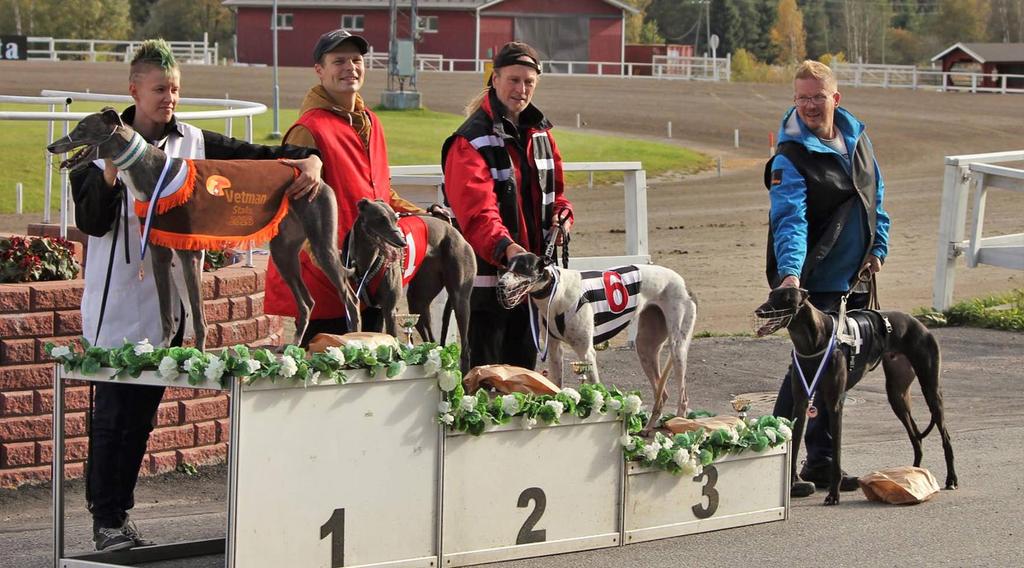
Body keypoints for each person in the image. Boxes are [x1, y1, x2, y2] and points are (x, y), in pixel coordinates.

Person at [71, 39, 323, 551]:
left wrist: (307, 160)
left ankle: (119, 516)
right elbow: (93, 223)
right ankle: (107, 521)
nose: (169, 98)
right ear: (134, 90)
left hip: (171, 312)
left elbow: (258, 156)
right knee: (114, 415)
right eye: (160, 89)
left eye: (176, 89)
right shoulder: (96, 148)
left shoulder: (193, 141)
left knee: (141, 417)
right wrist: (114, 175)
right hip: (116, 304)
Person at [765, 60, 891, 497]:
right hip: (814, 281)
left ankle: (821, 463)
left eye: (817, 97)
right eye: (801, 98)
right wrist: (791, 275)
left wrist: (878, 247)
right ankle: (773, 462)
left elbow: (875, 194)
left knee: (838, 373)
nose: (809, 106)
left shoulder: (857, 137)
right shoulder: (791, 154)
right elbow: (790, 219)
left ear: (836, 97)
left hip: (855, 277)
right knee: (805, 374)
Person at [263, 29, 432, 344]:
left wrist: (422, 213)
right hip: (326, 285)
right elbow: (295, 211)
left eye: (356, 60)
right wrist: (336, 271)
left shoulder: (371, 121)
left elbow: (379, 192)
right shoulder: (307, 130)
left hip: (368, 279)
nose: (350, 68)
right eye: (338, 61)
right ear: (319, 70)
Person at [441, 41, 574, 369]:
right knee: (484, 387)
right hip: (486, 290)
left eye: (529, 82)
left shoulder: (541, 134)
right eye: (514, 80)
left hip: (531, 285)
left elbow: (556, 193)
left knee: (525, 384)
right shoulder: (469, 140)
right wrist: (511, 251)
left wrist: (563, 214)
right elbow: (477, 215)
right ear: (495, 78)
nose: (521, 89)